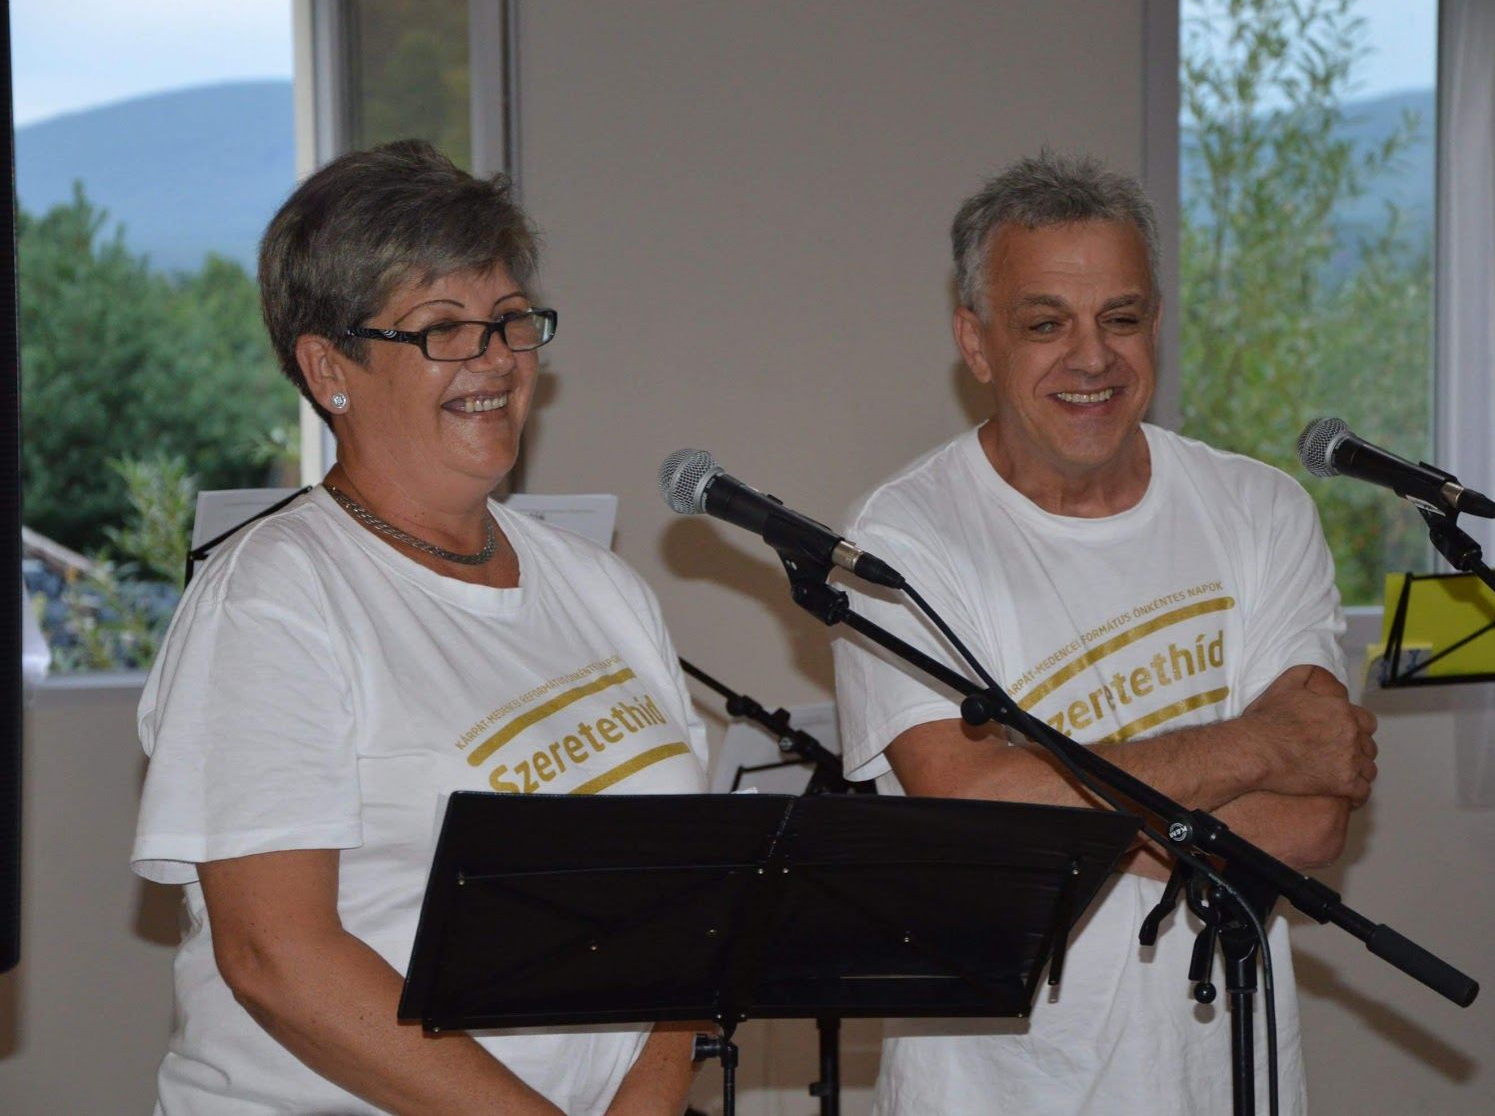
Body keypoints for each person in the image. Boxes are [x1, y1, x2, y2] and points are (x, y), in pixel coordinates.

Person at [132, 141, 705, 1115]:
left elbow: (687, 907)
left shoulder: (601, 588)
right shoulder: (273, 599)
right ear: (329, 368)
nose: (495, 359)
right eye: (443, 328)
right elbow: (277, 955)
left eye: (510, 320)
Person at [831, 153, 1379, 1114]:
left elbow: (1311, 822)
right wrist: (1256, 747)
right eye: (1045, 324)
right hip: (997, 1090)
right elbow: (976, 817)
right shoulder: (899, 544)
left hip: (1226, 1077)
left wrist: (1052, 807)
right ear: (976, 342)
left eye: (1119, 319)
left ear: (1154, 326)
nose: (1092, 359)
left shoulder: (1258, 510)